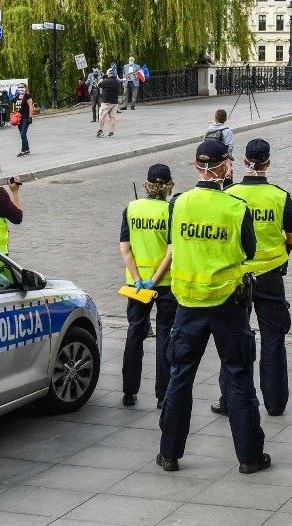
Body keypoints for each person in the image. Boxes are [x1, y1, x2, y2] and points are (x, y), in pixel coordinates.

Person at [157, 140, 270, 475]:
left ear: (196, 166)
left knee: (180, 377)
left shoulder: (178, 204)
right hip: (227, 303)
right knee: (237, 376)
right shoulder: (236, 207)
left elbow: (173, 242)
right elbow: (249, 252)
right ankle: (249, 457)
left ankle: (169, 454)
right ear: (224, 168)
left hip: (187, 302)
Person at [209, 139, 292, 418]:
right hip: (271, 278)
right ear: (268, 162)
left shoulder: (230, 194)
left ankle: (230, 400)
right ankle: (275, 403)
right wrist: (281, 248)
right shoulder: (279, 196)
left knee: (235, 337)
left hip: (237, 278)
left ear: (244, 161)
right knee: (273, 339)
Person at [119, 164, 178, 409]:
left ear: (147, 184)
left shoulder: (132, 208)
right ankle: (162, 395)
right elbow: (171, 251)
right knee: (164, 335)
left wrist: (138, 277)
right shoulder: (171, 211)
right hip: (164, 284)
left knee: (135, 333)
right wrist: (155, 278)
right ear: (168, 186)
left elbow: (124, 247)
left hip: (136, 285)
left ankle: (129, 392)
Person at [97, 69, 120, 138]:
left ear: (108, 74)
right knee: (112, 117)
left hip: (106, 102)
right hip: (115, 102)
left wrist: (101, 80)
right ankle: (111, 132)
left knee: (102, 116)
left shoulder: (105, 81)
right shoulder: (117, 82)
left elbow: (98, 85)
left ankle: (100, 130)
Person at [13, 83, 34, 157]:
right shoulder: (17, 97)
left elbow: (31, 107)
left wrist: (30, 117)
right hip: (19, 118)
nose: (20, 88)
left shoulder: (27, 96)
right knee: (23, 134)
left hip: (25, 117)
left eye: (22, 87)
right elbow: (15, 106)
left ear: (25, 88)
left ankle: (23, 150)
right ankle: (27, 149)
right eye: (19, 87)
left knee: (23, 134)